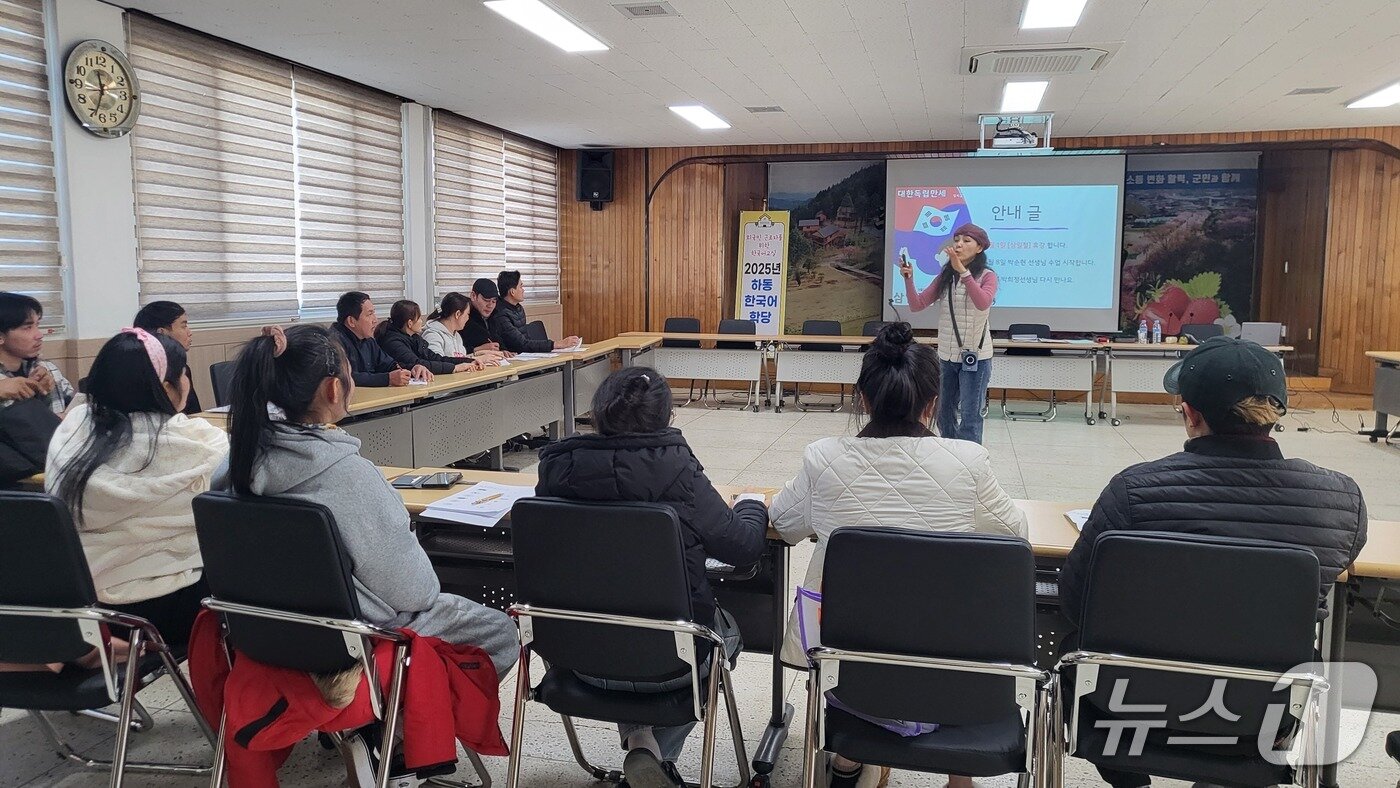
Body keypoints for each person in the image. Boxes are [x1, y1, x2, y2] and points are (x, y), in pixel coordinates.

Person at [1058, 337, 1368, 788]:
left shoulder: (1133, 491)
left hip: (1129, 707)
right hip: (1264, 711)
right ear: (1276, 413)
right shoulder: (1340, 500)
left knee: (1074, 646)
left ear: (1190, 413)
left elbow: (1073, 601)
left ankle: (1129, 780)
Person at [770, 321, 1026, 788]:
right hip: (950, 669)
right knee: (957, 616)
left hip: (848, 670)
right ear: (932, 405)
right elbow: (1016, 536)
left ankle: (848, 759)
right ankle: (960, 775)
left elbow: (783, 525)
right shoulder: (968, 461)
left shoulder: (823, 458)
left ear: (863, 399)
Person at [219, 324, 517, 677]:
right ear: (333, 389)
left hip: (260, 632)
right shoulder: (349, 476)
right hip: (356, 638)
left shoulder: (231, 466)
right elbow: (415, 594)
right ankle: (402, 721)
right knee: (498, 630)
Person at [534, 367, 767, 788]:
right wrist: (751, 504)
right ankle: (659, 757)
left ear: (598, 415)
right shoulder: (678, 474)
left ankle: (642, 741)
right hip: (670, 663)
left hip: (576, 656)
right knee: (722, 635)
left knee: (621, 619)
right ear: (667, 417)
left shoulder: (556, 471)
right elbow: (744, 546)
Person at [46, 328, 227, 648]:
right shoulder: (198, 445)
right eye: (183, 373)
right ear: (166, 389)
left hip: (84, 614)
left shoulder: (71, 434)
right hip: (167, 614)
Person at [899, 223, 997, 444]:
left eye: (966, 241)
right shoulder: (946, 276)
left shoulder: (988, 276)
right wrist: (908, 279)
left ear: (979, 248)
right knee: (943, 414)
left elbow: (982, 303)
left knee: (971, 417)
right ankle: (952, 456)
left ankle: (970, 461)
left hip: (976, 357)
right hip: (946, 356)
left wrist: (963, 272)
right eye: (957, 240)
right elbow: (917, 304)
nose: (959, 244)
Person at [332, 291, 430, 388]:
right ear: (351, 321)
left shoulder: (367, 339)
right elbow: (345, 377)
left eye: (374, 313)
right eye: (369, 314)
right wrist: (387, 379)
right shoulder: (333, 343)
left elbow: (388, 365)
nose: (375, 320)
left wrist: (412, 369)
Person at [0, 292, 74, 416]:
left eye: (37, 325)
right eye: (27, 327)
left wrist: (43, 394)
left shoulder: (46, 368)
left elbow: (75, 407)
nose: (39, 335)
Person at [375, 299, 487, 375]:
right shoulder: (393, 342)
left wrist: (469, 361)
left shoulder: (415, 338)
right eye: (419, 318)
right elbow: (418, 363)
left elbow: (436, 358)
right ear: (410, 323)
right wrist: (455, 368)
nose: (421, 321)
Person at [133, 300, 203, 415]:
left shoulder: (181, 367)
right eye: (184, 326)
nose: (189, 332)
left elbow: (194, 414)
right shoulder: (147, 372)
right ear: (161, 333)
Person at [489, 270, 580, 354]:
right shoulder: (500, 314)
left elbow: (526, 341)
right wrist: (558, 344)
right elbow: (522, 344)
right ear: (512, 292)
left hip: (525, 355)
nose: (523, 290)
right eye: (521, 286)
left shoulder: (518, 308)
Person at [422, 290, 505, 364]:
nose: (468, 318)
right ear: (458, 314)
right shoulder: (432, 335)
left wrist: (479, 354)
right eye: (467, 314)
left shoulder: (456, 335)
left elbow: (459, 359)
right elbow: (438, 363)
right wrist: (476, 359)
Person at [459, 279, 507, 355]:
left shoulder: (494, 315)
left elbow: (497, 339)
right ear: (473, 296)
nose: (490, 305)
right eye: (486, 300)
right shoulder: (462, 316)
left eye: (494, 301)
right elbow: (453, 350)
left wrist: (503, 350)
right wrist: (476, 349)